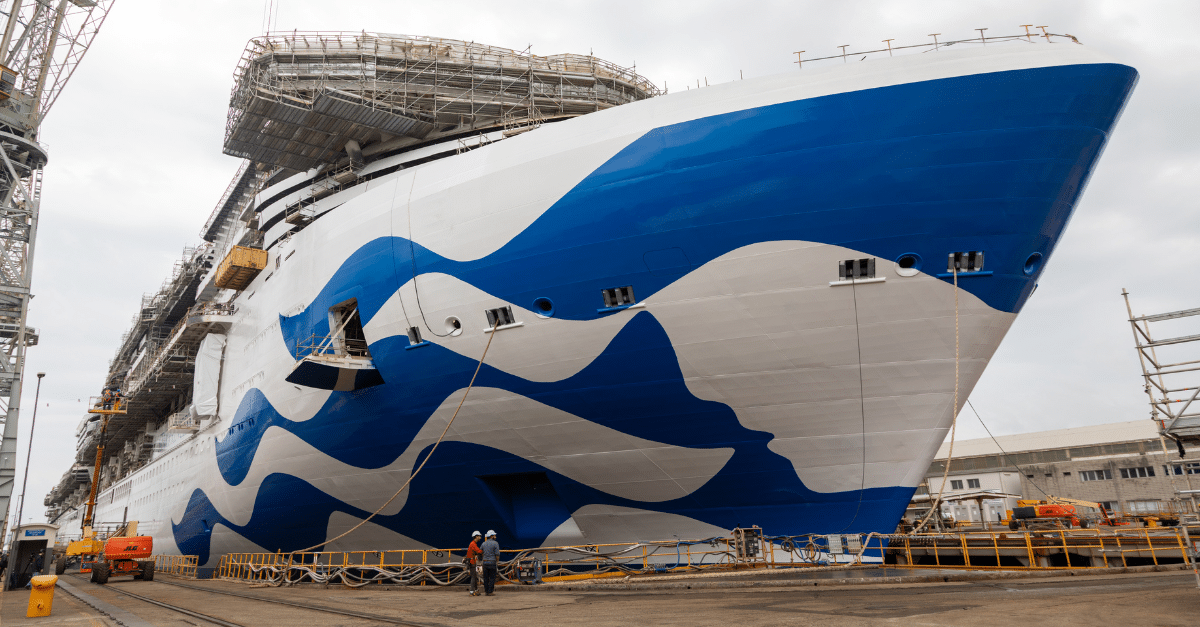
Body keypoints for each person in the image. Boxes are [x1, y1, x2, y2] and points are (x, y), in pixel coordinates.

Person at [480, 530, 500, 596]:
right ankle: (490, 591)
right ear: (491, 536)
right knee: (492, 577)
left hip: (485, 562)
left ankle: (486, 591)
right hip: (492, 562)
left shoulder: (483, 543)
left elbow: (480, 552)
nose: (495, 536)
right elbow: (497, 554)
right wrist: (497, 562)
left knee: (485, 578)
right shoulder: (495, 543)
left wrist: (482, 559)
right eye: (494, 535)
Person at [465, 531, 483, 596]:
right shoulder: (473, 544)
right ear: (476, 536)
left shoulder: (472, 543)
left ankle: (476, 590)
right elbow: (479, 551)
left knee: (474, 576)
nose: (480, 538)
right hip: (472, 562)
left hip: (472, 561)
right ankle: (472, 591)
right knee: (473, 577)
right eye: (479, 536)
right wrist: (484, 550)